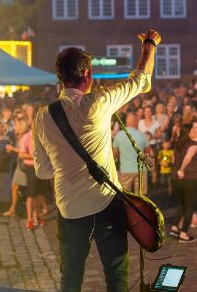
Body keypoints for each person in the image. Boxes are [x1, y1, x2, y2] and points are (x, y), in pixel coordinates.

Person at [33, 29, 161, 292]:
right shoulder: (99, 101)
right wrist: (149, 45)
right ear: (87, 74)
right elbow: (141, 79)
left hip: (69, 208)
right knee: (116, 275)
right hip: (106, 204)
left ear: (61, 78)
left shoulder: (43, 117)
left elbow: (43, 171)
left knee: (70, 278)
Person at [169, 121, 197, 243]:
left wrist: (177, 171)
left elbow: (173, 159)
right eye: (192, 130)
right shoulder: (193, 144)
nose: (195, 132)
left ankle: (174, 227)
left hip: (176, 180)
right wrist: (181, 170)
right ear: (188, 132)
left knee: (182, 204)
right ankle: (184, 233)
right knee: (190, 207)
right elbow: (188, 158)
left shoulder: (177, 144)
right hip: (189, 178)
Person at [113, 113, 149, 194]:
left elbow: (114, 154)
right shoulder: (142, 135)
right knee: (141, 196)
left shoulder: (119, 135)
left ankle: (126, 207)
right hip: (141, 171)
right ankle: (139, 207)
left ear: (126, 122)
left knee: (125, 195)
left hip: (125, 170)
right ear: (136, 122)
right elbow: (148, 152)